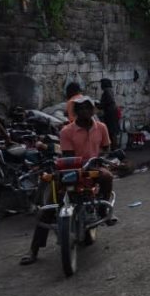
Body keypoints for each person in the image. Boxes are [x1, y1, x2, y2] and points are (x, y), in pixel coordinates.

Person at [21, 97, 113, 265]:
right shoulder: (66, 131)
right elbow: (68, 155)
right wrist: (76, 169)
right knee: (48, 208)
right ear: (76, 112)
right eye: (81, 109)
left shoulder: (102, 127)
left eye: (88, 108)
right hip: (71, 169)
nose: (85, 111)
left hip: (93, 167)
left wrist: (101, 159)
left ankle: (103, 209)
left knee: (107, 176)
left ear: (93, 110)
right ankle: (33, 250)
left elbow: (106, 149)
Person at [98, 78, 120, 147]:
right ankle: (114, 147)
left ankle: (114, 147)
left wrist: (98, 105)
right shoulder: (110, 91)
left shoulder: (106, 91)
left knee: (111, 131)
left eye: (101, 84)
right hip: (113, 112)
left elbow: (106, 103)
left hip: (110, 113)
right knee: (113, 130)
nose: (101, 86)